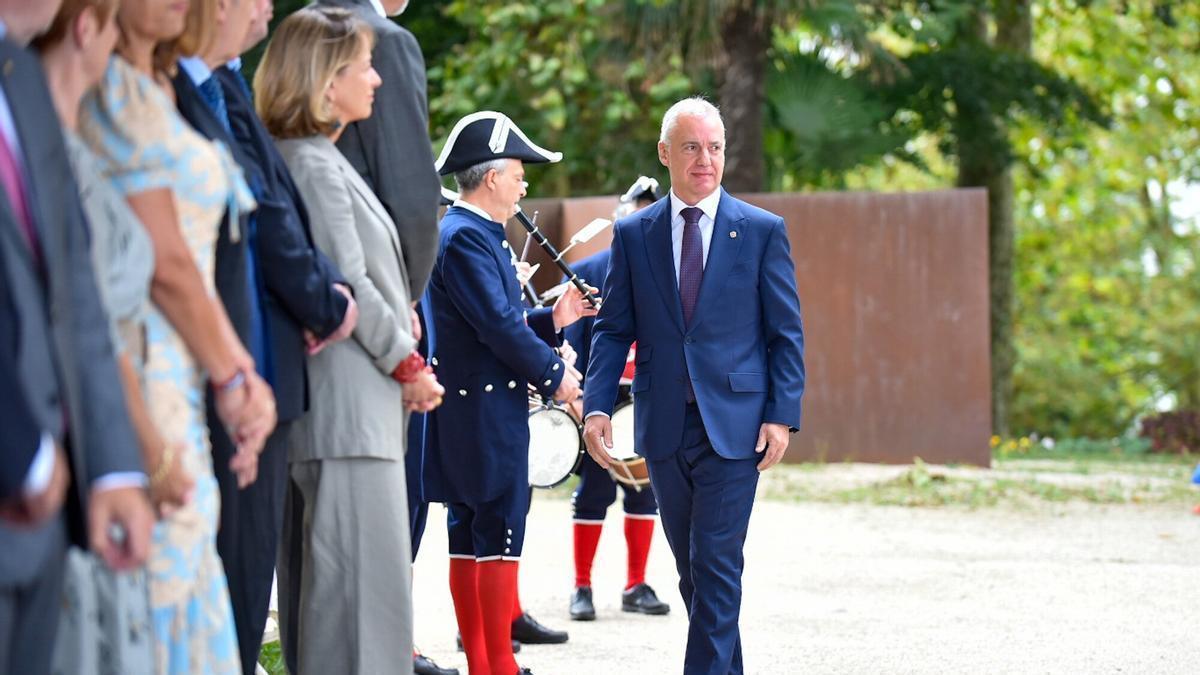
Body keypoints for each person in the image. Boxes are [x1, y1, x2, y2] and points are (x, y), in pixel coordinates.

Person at [78, 0, 279, 669]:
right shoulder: (104, 88)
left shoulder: (163, 89)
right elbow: (164, 261)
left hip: (189, 374)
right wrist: (236, 374)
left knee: (196, 565)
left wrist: (235, 376)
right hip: (139, 366)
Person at [582, 97, 806, 675]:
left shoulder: (761, 231)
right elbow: (611, 330)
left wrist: (781, 413)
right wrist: (598, 406)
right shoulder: (633, 235)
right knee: (692, 571)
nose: (705, 159)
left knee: (716, 566)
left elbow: (786, 333)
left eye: (714, 147)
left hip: (736, 428)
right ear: (665, 153)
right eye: (691, 147)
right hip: (663, 428)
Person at [256, 7, 443, 674]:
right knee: (360, 618)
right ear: (323, 79)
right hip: (350, 412)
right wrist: (409, 361)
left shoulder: (315, 158)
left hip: (349, 411)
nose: (376, 77)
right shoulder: (311, 163)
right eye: (362, 65)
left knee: (351, 610)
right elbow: (349, 281)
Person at [183, 1, 362, 671]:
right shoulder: (194, 91)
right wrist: (327, 303)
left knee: (250, 574)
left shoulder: (222, 87)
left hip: (262, 359)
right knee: (239, 575)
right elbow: (266, 223)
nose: (265, 6)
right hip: (237, 360)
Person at [0, 1, 155, 673]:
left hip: (50, 514)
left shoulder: (19, 78)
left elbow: (74, 292)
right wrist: (24, 454)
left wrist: (113, 462)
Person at [424, 110, 596, 675]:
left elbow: (500, 320)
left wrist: (552, 318)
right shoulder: (467, 237)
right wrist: (558, 375)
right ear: (493, 177)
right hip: (480, 412)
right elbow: (497, 328)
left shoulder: (470, 234)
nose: (525, 183)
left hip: (471, 408)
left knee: (472, 536)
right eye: (520, 172)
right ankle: (493, 664)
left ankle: (487, 663)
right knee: (494, 531)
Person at [565, 176, 670, 621]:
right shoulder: (590, 271)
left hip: (644, 397)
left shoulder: (667, 272)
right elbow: (575, 339)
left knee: (645, 493)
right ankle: (582, 587)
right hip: (601, 397)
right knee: (593, 491)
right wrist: (581, 398)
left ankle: (636, 584)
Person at [314, 0, 439, 300]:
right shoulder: (386, 39)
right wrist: (407, 294)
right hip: (371, 281)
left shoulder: (297, 29)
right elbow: (410, 188)